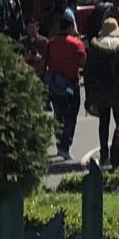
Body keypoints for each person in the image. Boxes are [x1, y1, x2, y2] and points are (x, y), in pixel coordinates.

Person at [84, 14, 119, 162]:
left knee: (103, 123)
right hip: (117, 92)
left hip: (100, 91)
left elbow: (88, 73)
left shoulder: (95, 47)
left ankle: (104, 154)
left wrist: (89, 95)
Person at [41, 14, 88, 159]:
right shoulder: (76, 44)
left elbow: (44, 63)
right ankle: (65, 146)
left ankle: (58, 143)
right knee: (71, 117)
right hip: (71, 84)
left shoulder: (51, 43)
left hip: (54, 84)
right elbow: (83, 63)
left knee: (58, 115)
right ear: (70, 27)